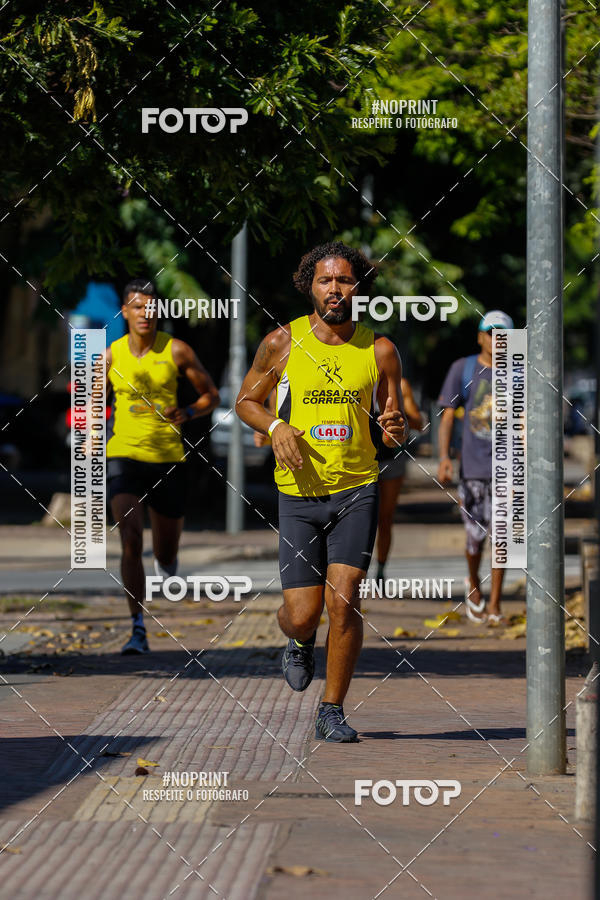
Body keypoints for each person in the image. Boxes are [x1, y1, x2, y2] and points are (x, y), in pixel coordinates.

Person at [235, 241, 407, 742]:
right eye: (326, 281)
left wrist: (393, 426)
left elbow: (391, 417)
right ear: (309, 285)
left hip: (357, 487)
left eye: (345, 280)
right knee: (303, 613)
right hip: (298, 495)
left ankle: (331, 709)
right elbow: (247, 401)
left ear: (359, 287)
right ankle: (298, 638)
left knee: (345, 599)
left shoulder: (380, 350)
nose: (336, 289)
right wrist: (276, 427)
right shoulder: (281, 342)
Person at [105, 278, 220, 653]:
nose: (145, 314)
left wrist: (187, 411)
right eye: (137, 307)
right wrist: (91, 437)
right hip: (123, 455)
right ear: (125, 311)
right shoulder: (110, 355)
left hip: (168, 459)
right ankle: (137, 628)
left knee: (165, 552)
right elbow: (91, 405)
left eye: (151, 307)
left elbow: (211, 396)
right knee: (131, 539)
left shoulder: (177, 350)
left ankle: (167, 563)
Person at [437, 310, 514, 624]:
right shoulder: (463, 368)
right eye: (490, 333)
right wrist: (444, 458)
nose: (496, 340)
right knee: (474, 538)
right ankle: (474, 585)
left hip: (510, 471)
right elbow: (446, 418)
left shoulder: (519, 371)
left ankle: (495, 602)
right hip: (472, 469)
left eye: (503, 334)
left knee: (502, 537)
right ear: (481, 336)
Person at [375, 377, 423, 582]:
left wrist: (398, 418)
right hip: (355, 460)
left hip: (390, 460)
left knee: (385, 519)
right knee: (358, 518)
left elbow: (418, 422)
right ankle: (352, 572)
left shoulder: (400, 384)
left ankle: (380, 570)